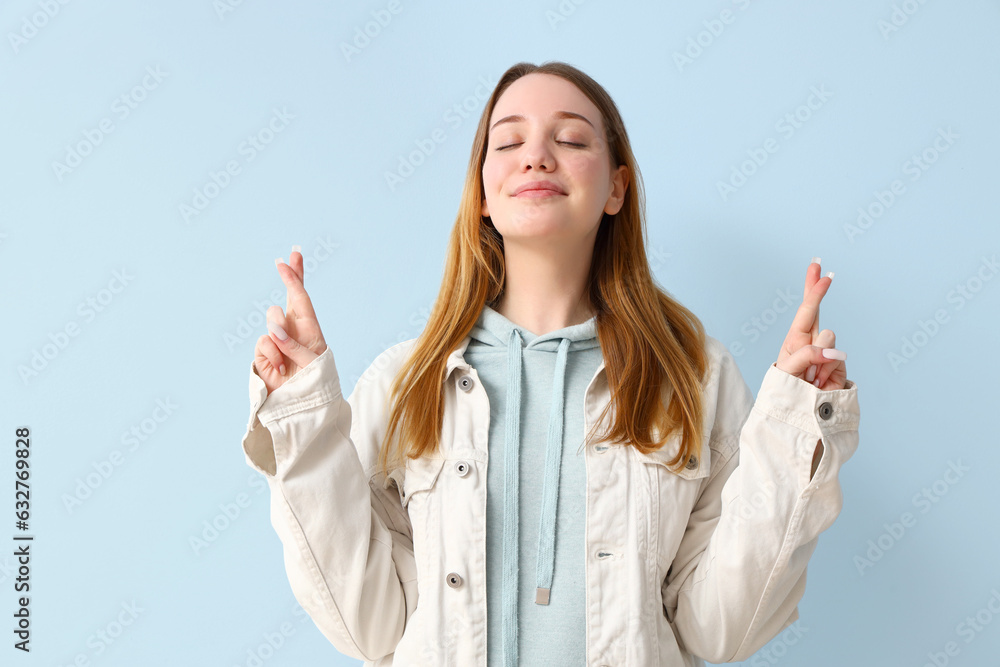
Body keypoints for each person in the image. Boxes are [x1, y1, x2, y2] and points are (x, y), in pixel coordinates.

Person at [241, 60, 860, 666]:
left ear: (617, 187)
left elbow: (719, 632)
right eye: (508, 141)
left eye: (569, 138)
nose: (536, 156)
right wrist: (302, 416)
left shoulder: (691, 376)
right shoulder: (409, 382)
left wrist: (793, 426)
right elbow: (369, 627)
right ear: (482, 193)